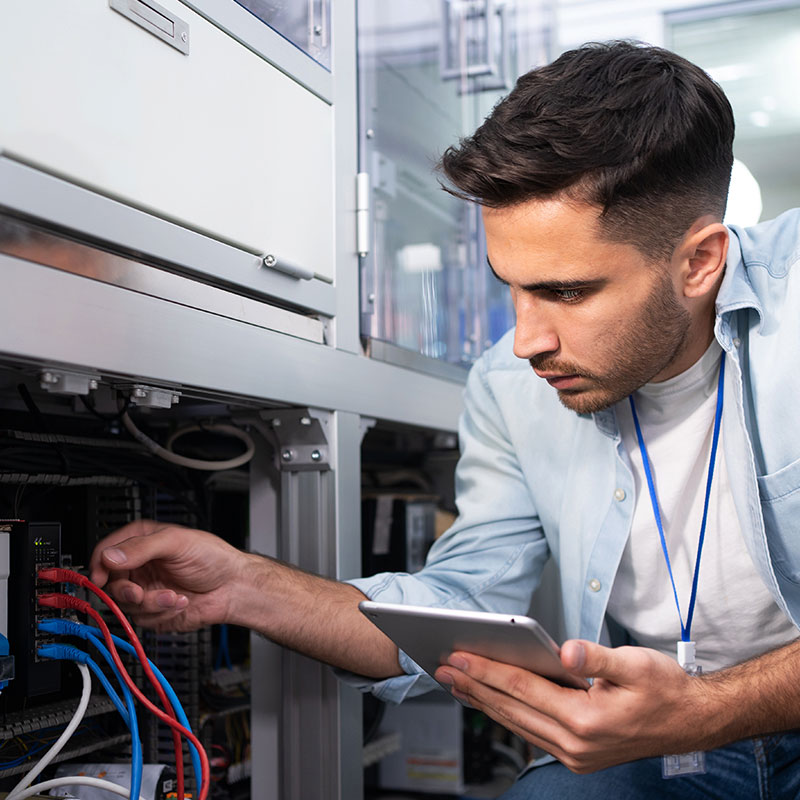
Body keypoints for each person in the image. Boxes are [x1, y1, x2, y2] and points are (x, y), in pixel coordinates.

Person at [89, 41, 800, 797]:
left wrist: (704, 708)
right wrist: (244, 587)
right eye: (512, 290)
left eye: (566, 292)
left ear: (700, 262)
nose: (527, 341)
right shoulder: (508, 384)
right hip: (666, 741)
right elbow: (463, 604)